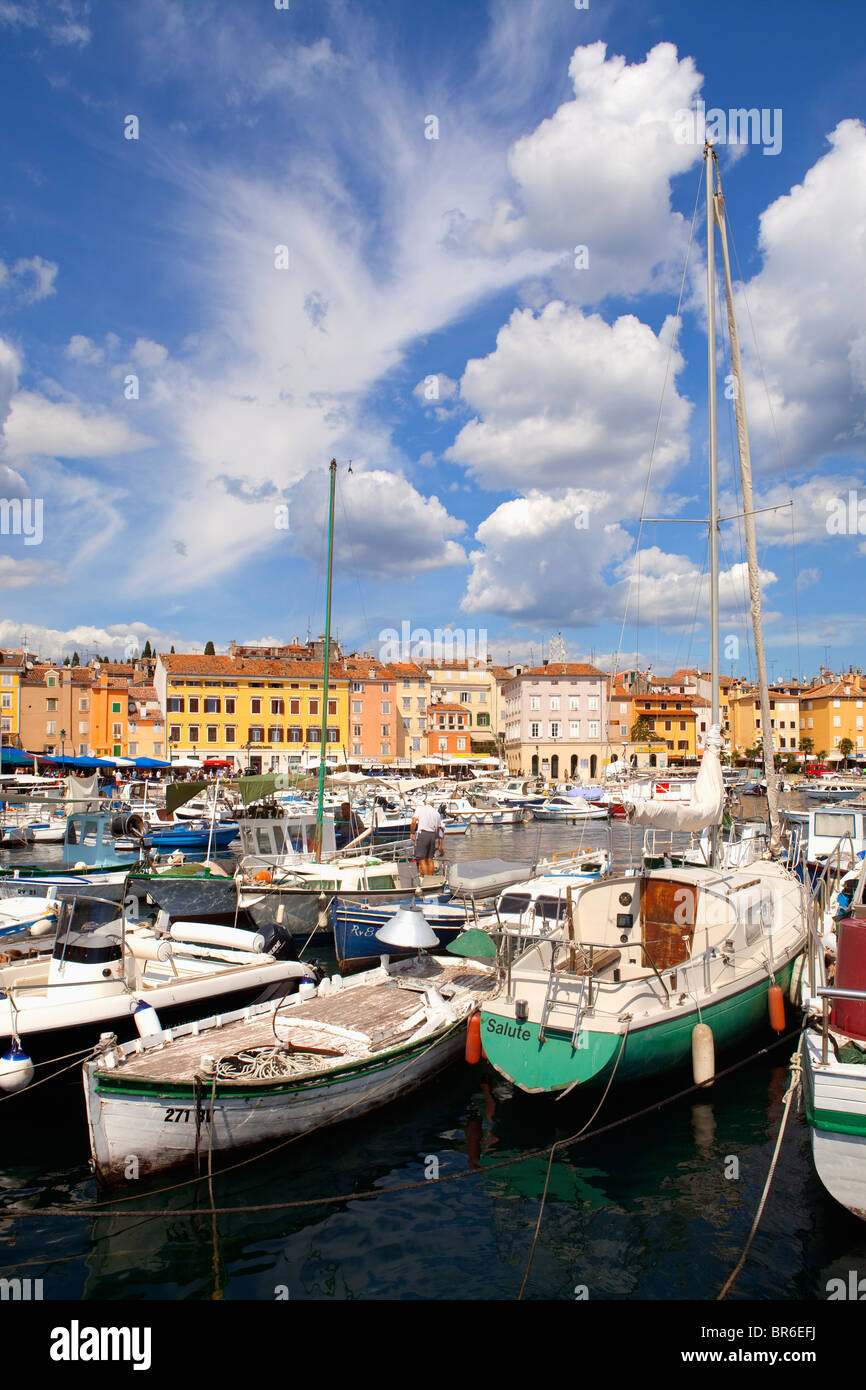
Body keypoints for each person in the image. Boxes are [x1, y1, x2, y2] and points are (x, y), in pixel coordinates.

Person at [411, 799, 443, 877]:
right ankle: (430, 878)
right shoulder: (437, 813)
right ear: (432, 804)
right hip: (432, 835)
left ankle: (427, 878)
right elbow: (439, 829)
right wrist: (438, 841)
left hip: (423, 834)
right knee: (429, 859)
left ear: (425, 803)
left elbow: (413, 821)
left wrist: (412, 832)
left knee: (422, 859)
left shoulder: (420, 809)